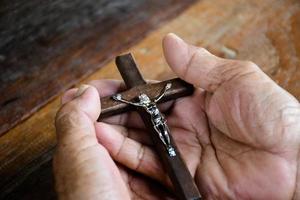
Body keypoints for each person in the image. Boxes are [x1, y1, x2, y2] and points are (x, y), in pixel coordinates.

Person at [53, 33, 300, 200]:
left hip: (160, 122)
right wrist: (117, 100)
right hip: (154, 120)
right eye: (140, 99)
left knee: (164, 136)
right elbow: (120, 99)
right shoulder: (131, 99)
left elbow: (168, 90)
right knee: (162, 136)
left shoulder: (157, 95)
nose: (145, 101)